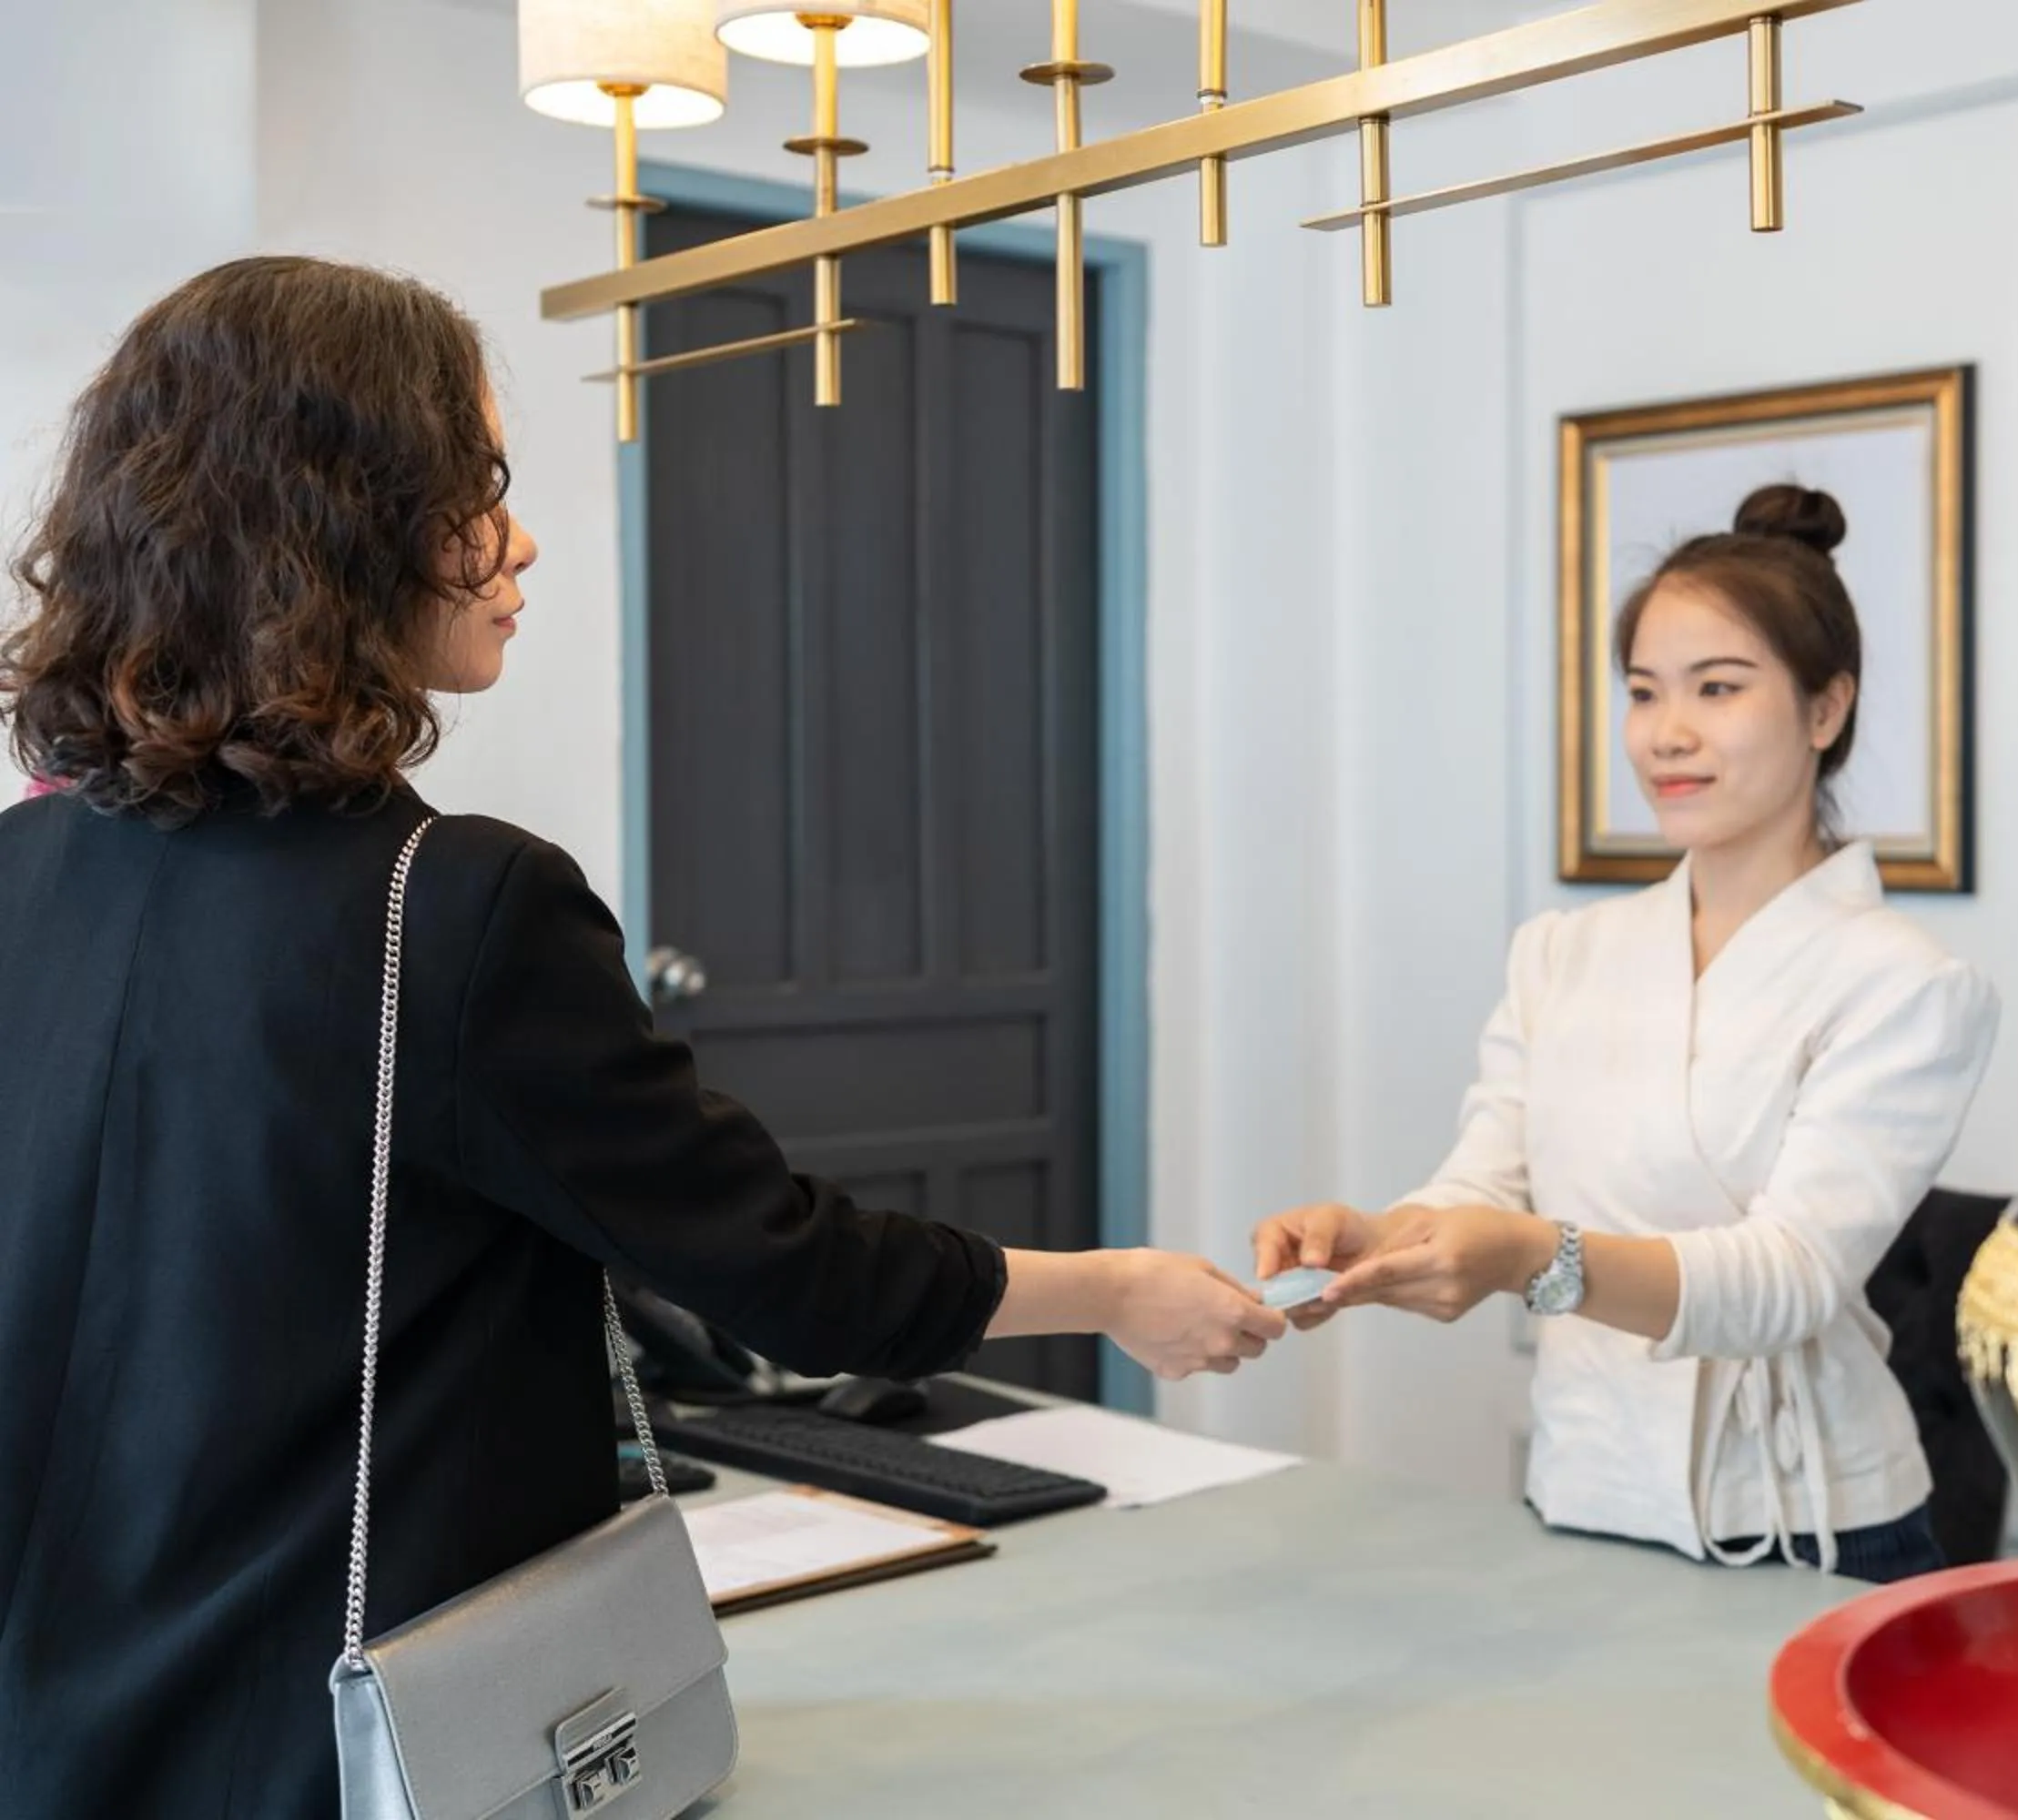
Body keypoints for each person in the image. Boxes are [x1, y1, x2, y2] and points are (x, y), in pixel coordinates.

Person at [0, 256, 1286, 1817]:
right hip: (345, 1751)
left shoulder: (23, 872)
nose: (519, 542)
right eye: (473, 496)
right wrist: (1120, 1291)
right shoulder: (454, 905)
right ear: (337, 526)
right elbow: (788, 1273)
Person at [1256, 485, 1999, 1580]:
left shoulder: (1909, 984)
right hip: (1588, 1487)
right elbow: (1485, 1184)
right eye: (1645, 691)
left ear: (1826, 708)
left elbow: (1789, 1276)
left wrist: (1531, 1257)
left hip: (1814, 1526)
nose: (1667, 732)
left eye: (1718, 687)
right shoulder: (1562, 952)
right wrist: (1375, 1238)